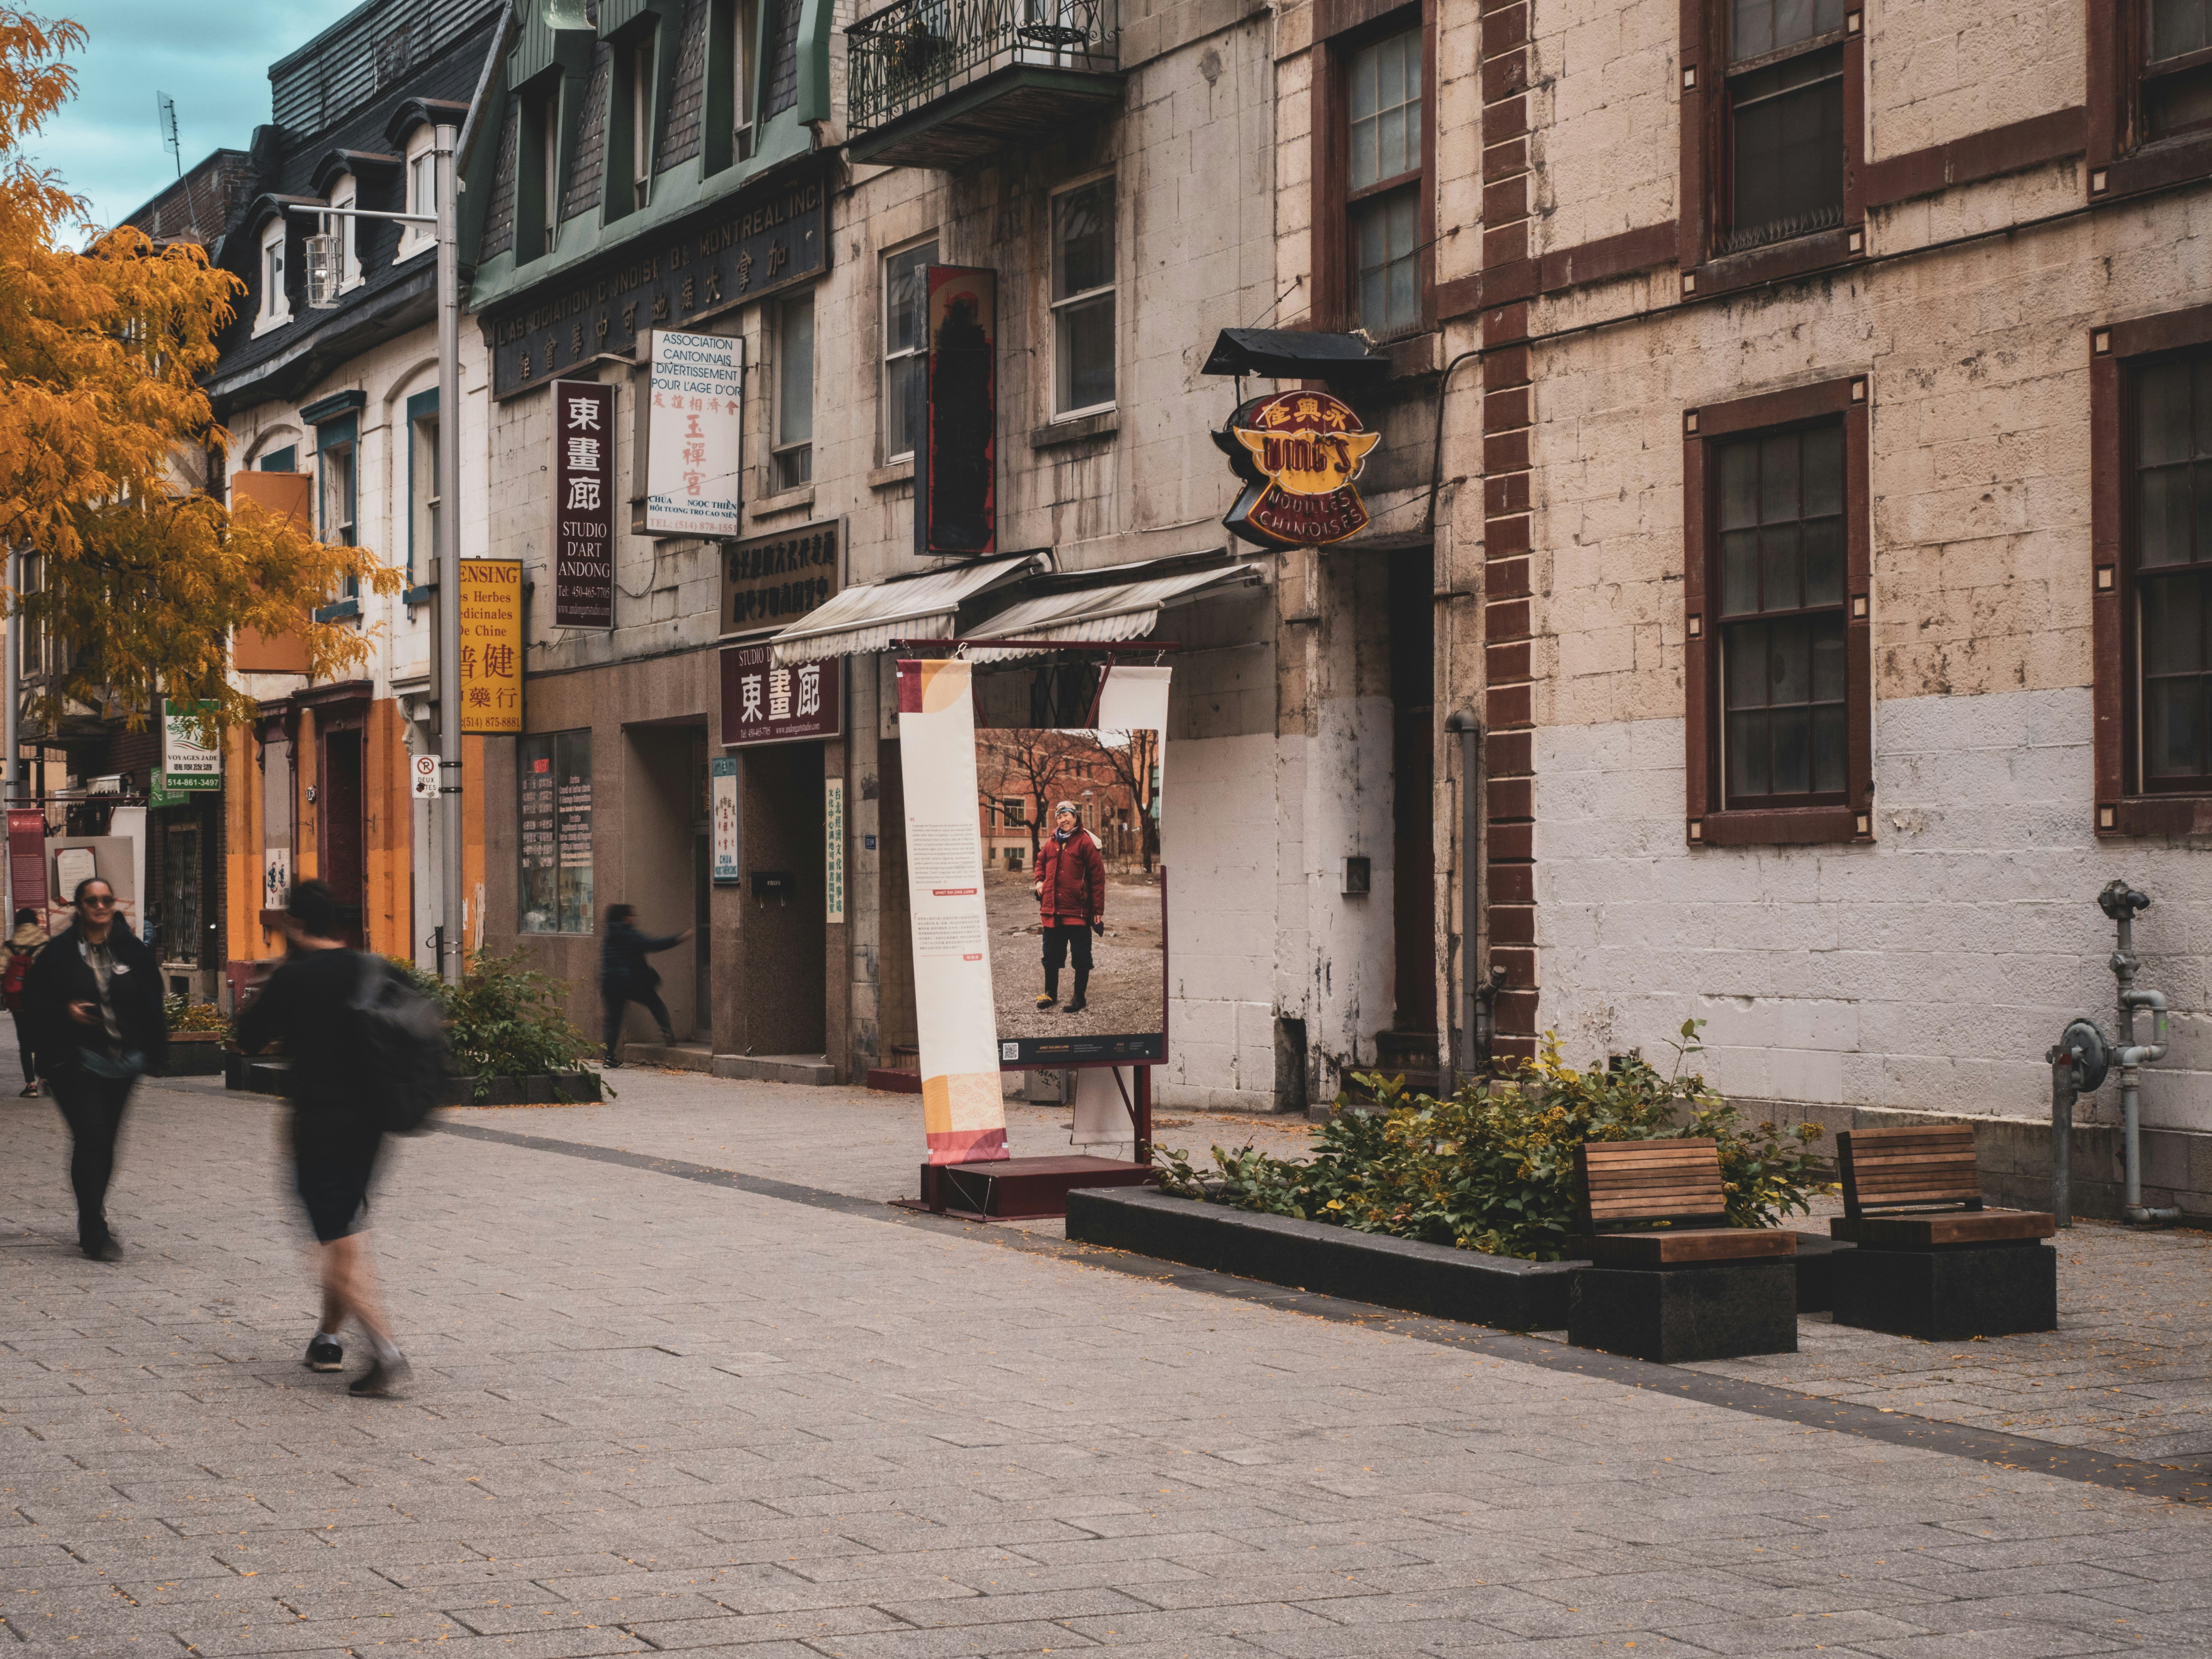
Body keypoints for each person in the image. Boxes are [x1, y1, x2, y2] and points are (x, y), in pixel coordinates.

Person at [234, 879, 412, 1397]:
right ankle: (328, 1337)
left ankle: (385, 1348)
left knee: (328, 1237)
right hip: (372, 1123)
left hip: (319, 1121)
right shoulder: (372, 967)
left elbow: (247, 1038)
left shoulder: (294, 978)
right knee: (345, 1226)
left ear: (293, 923)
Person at [23, 877, 168, 1260]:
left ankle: (93, 1215)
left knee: (105, 1143)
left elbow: (152, 997)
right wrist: (65, 1011)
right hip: (74, 1062)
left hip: (123, 1063)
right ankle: (93, 1228)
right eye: (92, 901)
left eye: (107, 900)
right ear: (79, 906)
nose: (101, 907)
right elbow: (32, 1003)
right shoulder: (58, 953)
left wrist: (151, 1048)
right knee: (92, 1137)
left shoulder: (132, 950)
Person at [1032, 802, 1106, 1015]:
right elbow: (1040, 863)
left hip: (1078, 911)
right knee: (1050, 955)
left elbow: (1098, 878)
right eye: (1059, 817)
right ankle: (1050, 994)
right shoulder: (1051, 842)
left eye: (1066, 815)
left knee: (1081, 956)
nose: (1063, 820)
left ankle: (1079, 997)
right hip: (1052, 911)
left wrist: (1098, 910)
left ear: (1075, 817)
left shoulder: (1085, 842)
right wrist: (1039, 881)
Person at [599, 904, 687, 1066]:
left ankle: (608, 1057)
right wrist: (678, 939)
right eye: (632, 915)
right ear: (625, 918)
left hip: (610, 983)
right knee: (654, 1002)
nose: (635, 919)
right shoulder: (630, 935)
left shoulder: (609, 936)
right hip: (631, 982)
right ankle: (666, 1030)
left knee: (613, 1021)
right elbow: (655, 944)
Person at [5, 907, 47, 1096]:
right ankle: (44, 1079)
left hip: (18, 1000)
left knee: (25, 1041)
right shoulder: (45, 944)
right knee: (42, 1039)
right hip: (41, 1000)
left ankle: (30, 1085)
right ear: (36, 923)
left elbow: (1, 970)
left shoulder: (9, 946)